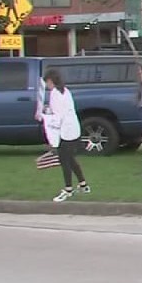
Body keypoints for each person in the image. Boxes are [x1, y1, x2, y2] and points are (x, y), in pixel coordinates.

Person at [41, 68, 90, 202]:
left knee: (65, 160)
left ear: (50, 81)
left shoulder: (55, 93)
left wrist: (44, 117)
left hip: (64, 130)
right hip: (73, 128)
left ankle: (68, 189)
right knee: (70, 158)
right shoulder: (65, 91)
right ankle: (83, 184)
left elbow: (57, 115)